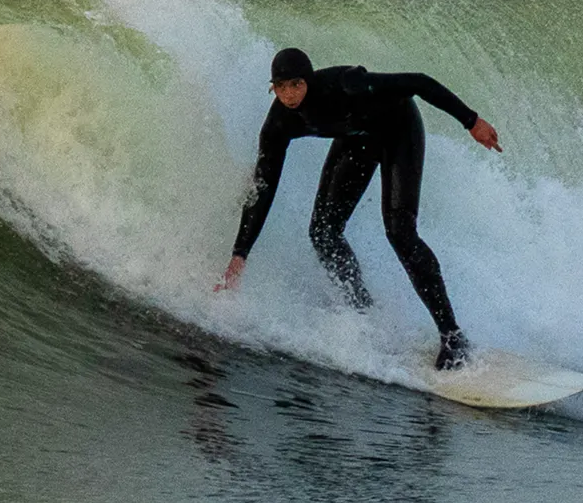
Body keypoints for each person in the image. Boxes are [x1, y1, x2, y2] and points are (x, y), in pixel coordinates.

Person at [215, 47, 502, 370]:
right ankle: (365, 315)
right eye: (281, 88)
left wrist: (471, 121)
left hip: (398, 130)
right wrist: (240, 253)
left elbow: (419, 83)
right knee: (323, 233)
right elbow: (265, 185)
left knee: (400, 232)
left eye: (296, 85)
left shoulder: (346, 83)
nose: (289, 94)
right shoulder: (278, 124)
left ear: (308, 80)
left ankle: (453, 337)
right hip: (357, 141)